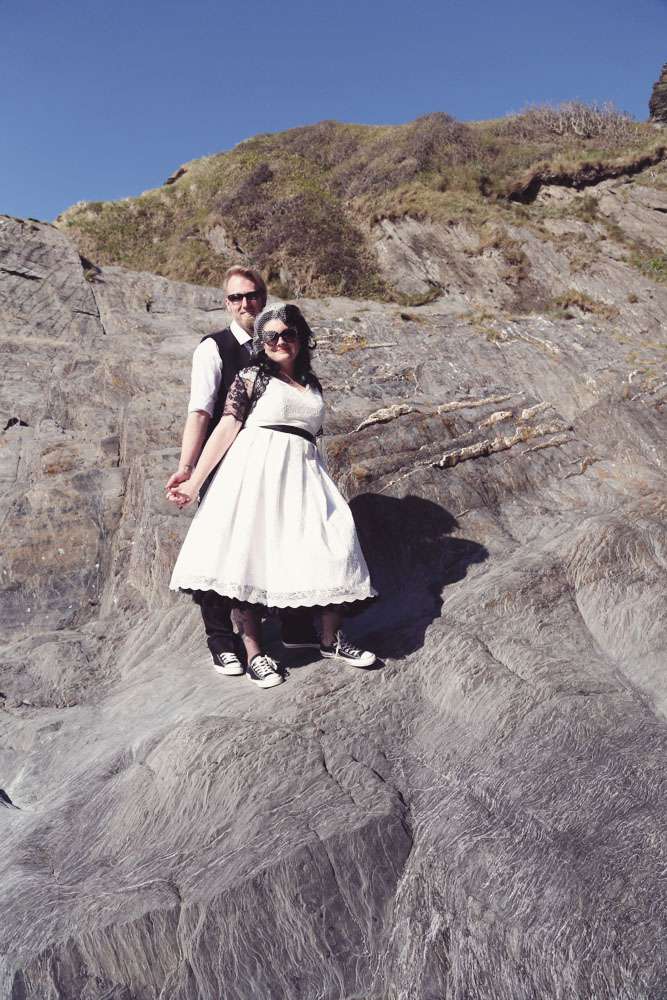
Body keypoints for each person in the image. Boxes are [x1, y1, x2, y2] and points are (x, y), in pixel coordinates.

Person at [167, 303, 377, 689]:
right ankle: (255, 655)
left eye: (288, 334)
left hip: (304, 473)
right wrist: (194, 481)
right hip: (255, 472)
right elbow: (226, 427)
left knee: (335, 544)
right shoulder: (251, 377)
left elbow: (309, 434)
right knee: (248, 558)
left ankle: (330, 639)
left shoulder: (311, 384)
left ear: (301, 339)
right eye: (271, 336)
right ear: (261, 342)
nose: (280, 341)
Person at [165, 267, 317, 678]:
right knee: (219, 547)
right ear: (226, 303)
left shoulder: (281, 341)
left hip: (272, 464)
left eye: (252, 295)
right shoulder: (213, 348)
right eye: (236, 297)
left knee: (270, 542)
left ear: (264, 297)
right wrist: (188, 469)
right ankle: (221, 641)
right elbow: (201, 411)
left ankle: (287, 626)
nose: (245, 303)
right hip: (224, 460)